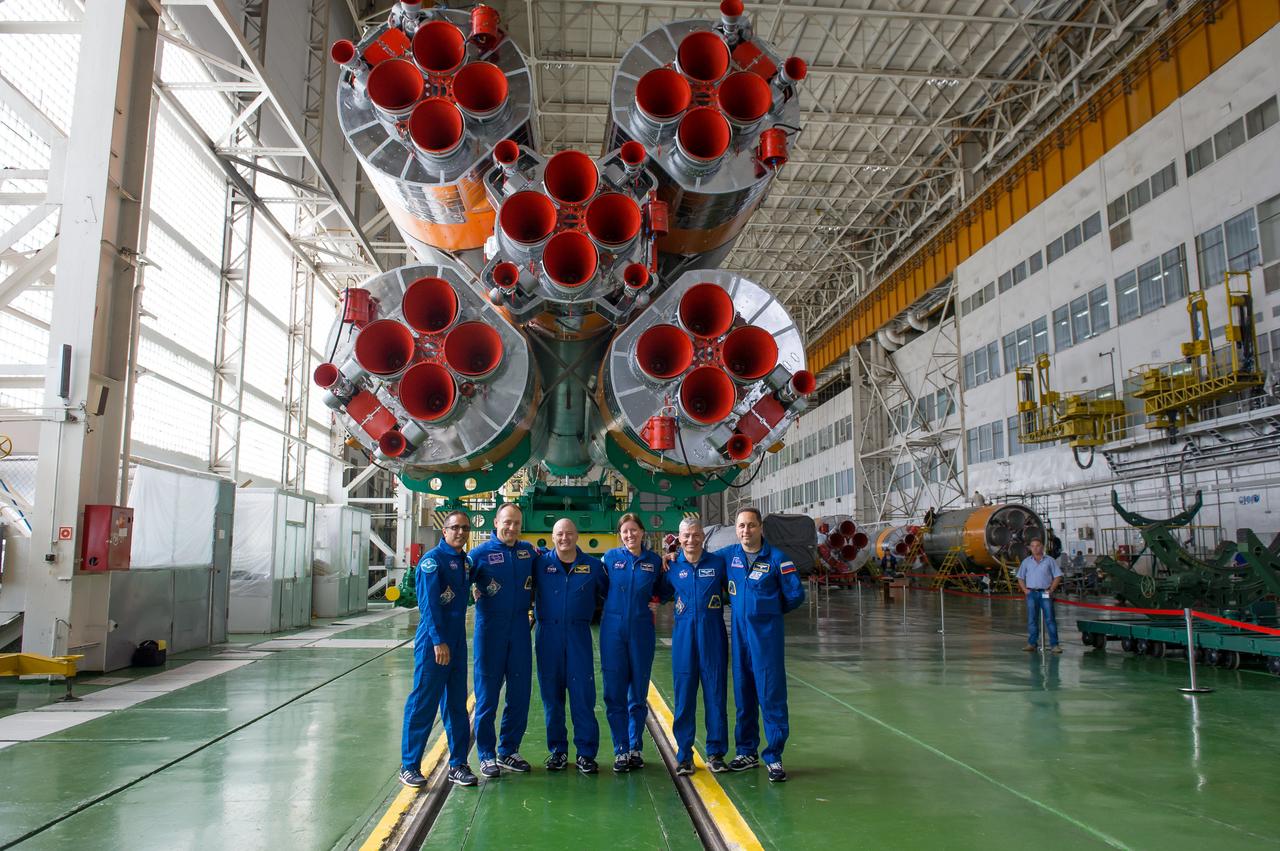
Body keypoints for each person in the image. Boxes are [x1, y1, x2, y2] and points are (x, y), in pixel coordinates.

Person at [717, 508, 805, 782]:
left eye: (751, 525)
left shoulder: (777, 559)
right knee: (743, 694)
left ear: (760, 528)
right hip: (739, 636)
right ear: (736, 529)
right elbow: (698, 560)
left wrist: (769, 612)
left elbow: (795, 594)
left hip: (766, 637)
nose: (746, 531)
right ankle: (746, 751)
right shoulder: (728, 556)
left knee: (770, 694)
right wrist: (673, 556)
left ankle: (774, 755)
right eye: (741, 526)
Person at [400, 510, 476, 788]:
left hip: (457, 641)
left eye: (465, 528)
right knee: (424, 702)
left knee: (456, 705)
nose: (460, 532)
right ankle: (409, 766)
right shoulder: (432, 562)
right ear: (444, 531)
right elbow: (429, 606)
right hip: (434, 643)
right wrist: (437, 641)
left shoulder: (465, 562)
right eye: (455, 527)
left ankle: (458, 764)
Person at [532, 518, 608, 774]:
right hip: (547, 636)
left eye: (569, 533)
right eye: (559, 534)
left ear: (577, 536)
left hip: (578, 636)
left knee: (583, 696)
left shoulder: (593, 567)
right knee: (551, 697)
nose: (564, 538)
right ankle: (558, 751)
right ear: (552, 537)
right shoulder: (539, 564)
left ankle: (586, 753)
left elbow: (613, 592)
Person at [600, 513, 672, 773]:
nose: (630, 535)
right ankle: (620, 748)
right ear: (620, 535)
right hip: (613, 631)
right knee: (614, 692)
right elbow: (598, 586)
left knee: (638, 692)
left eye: (634, 530)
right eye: (625, 531)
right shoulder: (609, 559)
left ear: (642, 532)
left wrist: (657, 600)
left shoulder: (654, 561)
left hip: (641, 631)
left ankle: (635, 747)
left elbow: (664, 590)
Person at [469, 503, 536, 778]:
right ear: (496, 522)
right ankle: (486, 754)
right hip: (490, 631)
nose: (511, 527)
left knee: (520, 694)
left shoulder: (528, 552)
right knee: (487, 696)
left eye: (516, 523)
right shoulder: (479, 554)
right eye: (507, 522)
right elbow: (457, 579)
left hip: (520, 628)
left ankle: (508, 750)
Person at [666, 516, 729, 776]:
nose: (691, 539)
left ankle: (716, 753)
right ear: (679, 539)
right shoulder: (670, 567)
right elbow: (655, 592)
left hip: (713, 636)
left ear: (703, 536)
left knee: (716, 694)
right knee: (684, 698)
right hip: (683, 639)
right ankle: (684, 756)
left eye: (695, 534)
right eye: (686, 535)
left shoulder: (718, 564)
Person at [1016, 537, 1063, 654]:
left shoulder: (1050, 560)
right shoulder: (1026, 562)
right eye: (1032, 546)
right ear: (1030, 548)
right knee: (1032, 619)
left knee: (1050, 619)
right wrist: (1024, 589)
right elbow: (1020, 577)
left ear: (1042, 547)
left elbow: (1058, 576)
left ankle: (1054, 645)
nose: (1035, 548)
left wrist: (1051, 589)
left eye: (1037, 546)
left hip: (1045, 592)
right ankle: (1032, 643)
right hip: (1031, 593)